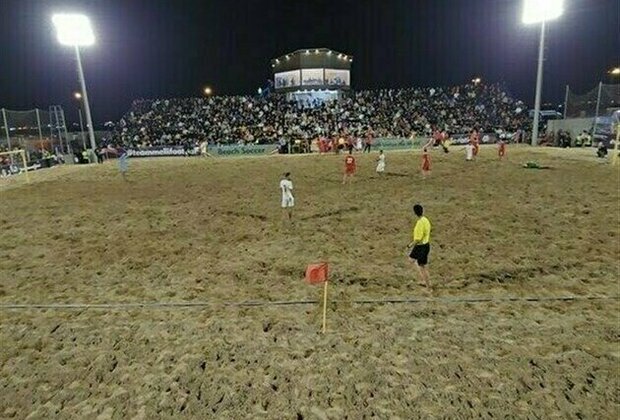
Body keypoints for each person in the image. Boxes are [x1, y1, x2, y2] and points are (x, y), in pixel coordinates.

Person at [406, 204, 432, 288]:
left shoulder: (420, 223)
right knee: (412, 261)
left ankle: (427, 284)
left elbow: (418, 239)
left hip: (421, 246)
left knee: (421, 266)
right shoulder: (426, 220)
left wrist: (409, 245)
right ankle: (424, 280)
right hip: (425, 244)